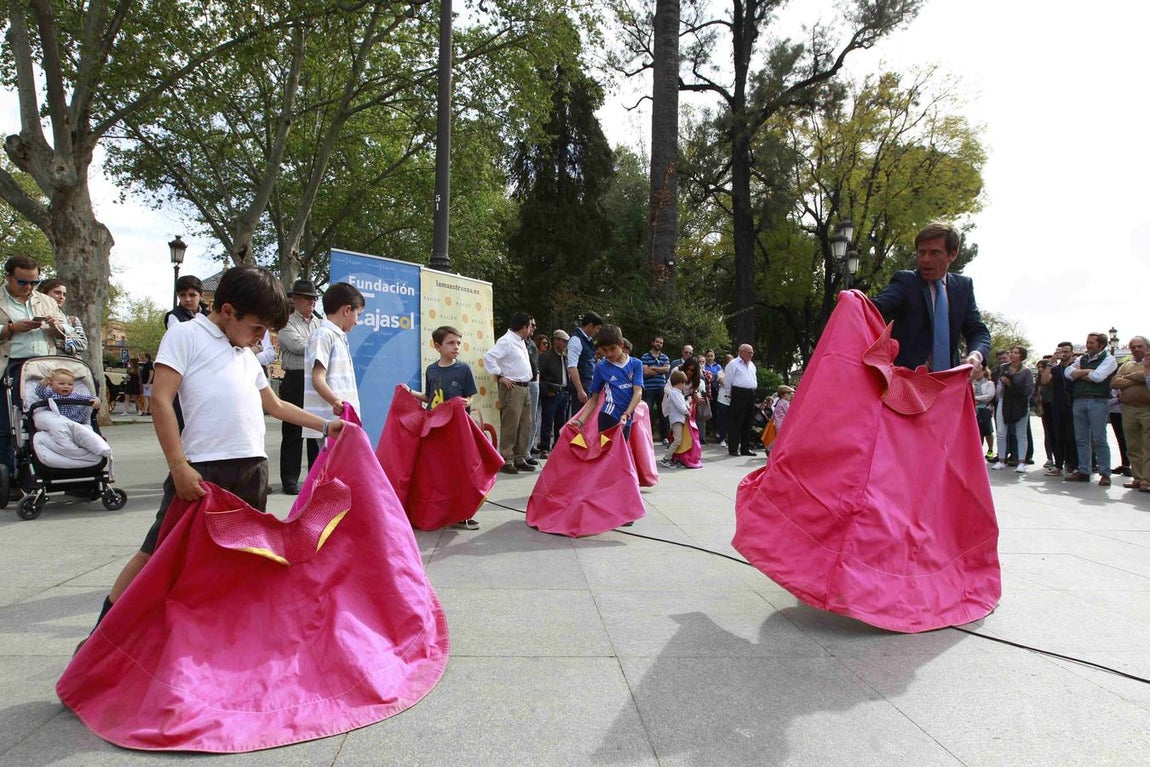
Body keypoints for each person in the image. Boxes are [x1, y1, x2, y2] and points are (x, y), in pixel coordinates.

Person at [87, 266, 346, 641]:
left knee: (246, 559)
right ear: (227, 310)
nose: (261, 338)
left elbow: (273, 404)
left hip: (251, 468)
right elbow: (161, 399)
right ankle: (103, 634)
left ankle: (230, 641)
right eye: (257, 327)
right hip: (202, 471)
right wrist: (178, 465)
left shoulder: (244, 350)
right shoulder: (185, 335)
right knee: (156, 552)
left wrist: (325, 426)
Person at [871, 222, 990, 372]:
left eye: (935, 253)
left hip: (949, 385)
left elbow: (978, 330)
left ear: (952, 255)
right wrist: (854, 301)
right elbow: (874, 309)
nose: (925, 259)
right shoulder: (906, 282)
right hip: (906, 384)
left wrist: (976, 355)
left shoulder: (963, 287)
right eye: (921, 252)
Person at [0, 256, 71, 487]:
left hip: (43, 366)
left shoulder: (45, 301)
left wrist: (55, 325)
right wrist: (11, 328)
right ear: (8, 277)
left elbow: (67, 330)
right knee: (7, 422)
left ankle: (49, 469)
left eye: (34, 282)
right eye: (22, 282)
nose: (29, 287)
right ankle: (9, 475)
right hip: (10, 364)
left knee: (47, 416)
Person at [405, 325, 482, 530]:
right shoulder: (431, 370)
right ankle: (438, 511)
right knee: (438, 473)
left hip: (457, 431)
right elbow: (430, 398)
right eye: (451, 343)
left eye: (458, 342)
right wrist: (410, 392)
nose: (456, 347)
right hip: (436, 431)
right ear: (437, 346)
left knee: (460, 471)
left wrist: (467, 401)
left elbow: (470, 396)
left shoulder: (464, 369)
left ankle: (463, 513)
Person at [302, 282, 364, 453]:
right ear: (347, 310)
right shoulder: (323, 335)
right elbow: (318, 378)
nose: (357, 322)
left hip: (342, 420)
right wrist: (335, 401)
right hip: (331, 420)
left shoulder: (339, 337)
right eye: (358, 315)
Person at [276, 279, 323, 494]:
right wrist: (319, 344)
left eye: (313, 298)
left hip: (314, 380)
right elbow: (298, 345)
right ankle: (290, 480)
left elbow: (314, 345)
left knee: (315, 430)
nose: (311, 302)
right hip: (295, 379)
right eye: (307, 298)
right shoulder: (286, 322)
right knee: (293, 431)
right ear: (295, 299)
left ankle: (316, 476)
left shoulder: (319, 322)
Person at [484, 312, 537, 474]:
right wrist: (501, 375)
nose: (531, 329)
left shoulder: (520, 341)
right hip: (512, 387)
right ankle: (506, 458)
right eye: (530, 326)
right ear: (523, 327)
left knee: (524, 424)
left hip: (524, 386)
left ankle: (519, 457)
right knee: (511, 423)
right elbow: (489, 357)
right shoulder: (506, 341)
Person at [1063, 332, 1117, 486]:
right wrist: (1086, 372)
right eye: (1087, 342)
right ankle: (1084, 470)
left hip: (1098, 401)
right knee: (1081, 438)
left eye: (1091, 343)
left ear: (1100, 345)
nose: (1087, 345)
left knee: (1099, 438)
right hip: (1079, 400)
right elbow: (1068, 372)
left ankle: (1105, 473)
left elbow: (1098, 377)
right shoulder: (1082, 358)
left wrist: (1079, 373)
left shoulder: (1109, 359)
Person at [579, 323, 643, 439]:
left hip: (626, 419)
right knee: (607, 455)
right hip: (608, 416)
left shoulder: (636, 364)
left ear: (621, 345)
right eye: (604, 350)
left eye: (612, 349)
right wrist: (580, 421)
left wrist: (627, 414)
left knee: (621, 455)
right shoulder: (601, 367)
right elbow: (594, 400)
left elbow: (638, 393)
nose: (608, 354)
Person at [1112, 335, 1150, 492]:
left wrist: (1129, 378)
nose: (1136, 349)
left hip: (1147, 409)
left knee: (1148, 445)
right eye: (1133, 347)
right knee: (1133, 445)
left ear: (1147, 347)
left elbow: (1146, 377)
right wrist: (1136, 378)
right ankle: (1138, 477)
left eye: (1139, 346)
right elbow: (1114, 382)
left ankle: (1147, 480)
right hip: (1128, 409)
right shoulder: (1126, 365)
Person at [990, 346, 1033, 474]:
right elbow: (998, 385)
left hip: (1020, 403)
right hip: (1005, 401)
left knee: (1021, 433)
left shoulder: (1026, 371)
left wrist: (1011, 384)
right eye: (1011, 352)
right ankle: (1001, 460)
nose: (1012, 354)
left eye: (1015, 353)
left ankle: (1021, 462)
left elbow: (1028, 390)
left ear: (1021, 356)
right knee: (1001, 432)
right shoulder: (1003, 368)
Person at [723, 343, 759, 457]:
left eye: (752, 352)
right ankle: (733, 448)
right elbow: (728, 380)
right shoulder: (733, 364)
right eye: (749, 352)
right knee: (736, 422)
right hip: (738, 393)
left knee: (748, 422)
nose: (751, 354)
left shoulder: (752, 365)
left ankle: (745, 448)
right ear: (741, 352)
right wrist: (728, 394)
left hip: (750, 393)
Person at [537, 329, 569, 456]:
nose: (565, 344)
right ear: (556, 341)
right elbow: (540, 378)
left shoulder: (565, 357)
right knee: (547, 421)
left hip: (564, 393)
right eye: (563, 341)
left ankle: (557, 446)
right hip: (551, 393)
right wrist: (547, 391)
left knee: (561, 422)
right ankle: (544, 447)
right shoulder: (545, 357)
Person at [565, 311, 603, 417]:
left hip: (590, 383)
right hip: (581, 384)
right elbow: (572, 367)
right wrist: (580, 390)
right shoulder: (576, 340)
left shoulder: (589, 341)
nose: (597, 331)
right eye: (597, 328)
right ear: (590, 326)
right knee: (580, 418)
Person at [38, 279, 88, 357]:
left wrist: (61, 340)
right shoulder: (34, 316)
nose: (61, 297)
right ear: (44, 294)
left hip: (68, 365)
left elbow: (82, 345)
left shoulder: (72, 320)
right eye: (57, 293)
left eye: (64, 294)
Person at [35, 368, 101, 425]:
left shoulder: (75, 395)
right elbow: (40, 392)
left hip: (74, 420)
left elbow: (89, 397)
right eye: (61, 383)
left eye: (70, 384)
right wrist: (44, 381)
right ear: (51, 384)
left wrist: (96, 399)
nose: (66, 386)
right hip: (57, 421)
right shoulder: (51, 394)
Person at [640, 336, 671, 443]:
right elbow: (645, 372)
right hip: (648, 389)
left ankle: (665, 437)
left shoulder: (665, 357)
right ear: (652, 342)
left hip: (661, 388)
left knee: (663, 413)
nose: (659, 344)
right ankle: (647, 436)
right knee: (647, 412)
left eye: (661, 343)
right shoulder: (645, 356)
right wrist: (660, 370)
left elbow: (667, 369)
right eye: (657, 342)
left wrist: (652, 367)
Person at [660, 370, 689, 468]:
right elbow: (680, 406)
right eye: (683, 383)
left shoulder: (677, 392)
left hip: (678, 419)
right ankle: (666, 458)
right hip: (677, 419)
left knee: (678, 440)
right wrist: (686, 412)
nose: (684, 385)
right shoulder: (675, 393)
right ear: (679, 383)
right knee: (677, 440)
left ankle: (675, 458)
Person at [972, 367, 996, 457]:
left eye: (979, 372)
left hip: (985, 409)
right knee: (978, 431)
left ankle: (990, 450)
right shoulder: (972, 383)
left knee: (987, 430)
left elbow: (989, 396)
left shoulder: (989, 383)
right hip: (974, 409)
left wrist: (975, 398)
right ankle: (978, 450)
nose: (977, 373)